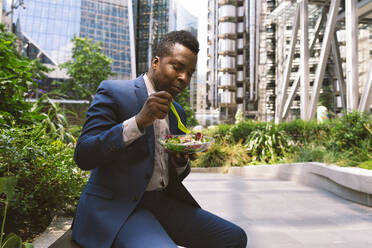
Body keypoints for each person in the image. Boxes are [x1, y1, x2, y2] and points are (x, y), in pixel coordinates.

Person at [72, 30, 247, 248]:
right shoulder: (114, 92)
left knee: (234, 238)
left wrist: (181, 160)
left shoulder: (177, 112)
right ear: (156, 62)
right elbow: (83, 156)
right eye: (177, 67)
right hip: (120, 208)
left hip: (164, 203)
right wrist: (138, 122)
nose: (184, 78)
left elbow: (173, 175)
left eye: (190, 73)